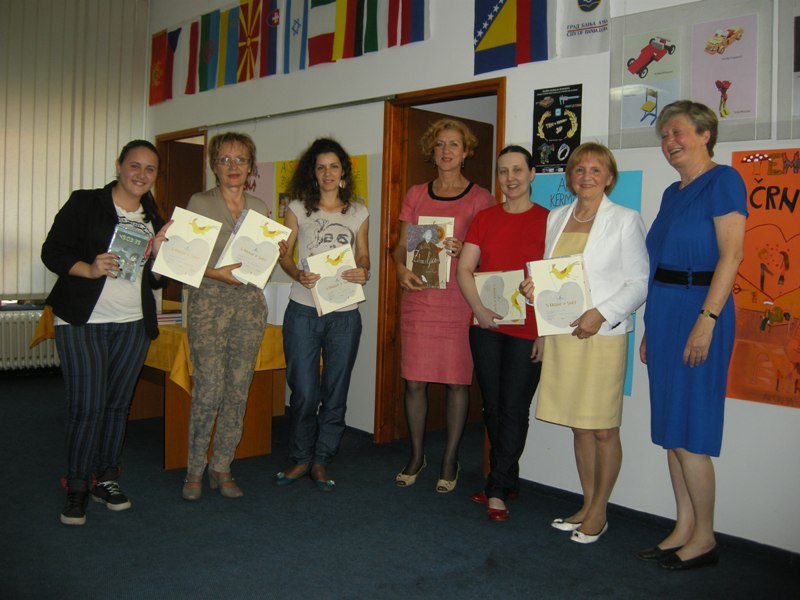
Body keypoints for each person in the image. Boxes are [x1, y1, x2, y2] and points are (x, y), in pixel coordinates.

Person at [521, 142, 649, 541]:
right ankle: (587, 502)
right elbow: (551, 275)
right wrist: (533, 291)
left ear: (609, 178)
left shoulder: (625, 220)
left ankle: (599, 511)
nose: (587, 176)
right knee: (580, 427)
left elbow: (639, 282)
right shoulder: (556, 217)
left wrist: (601, 314)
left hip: (602, 336)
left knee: (603, 428)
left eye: (596, 170)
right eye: (579, 169)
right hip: (564, 335)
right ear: (569, 177)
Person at [639, 100, 746, 569]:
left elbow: (732, 255)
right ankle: (683, 526)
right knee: (671, 429)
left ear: (706, 134)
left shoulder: (724, 181)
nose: (670, 142)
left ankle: (704, 538)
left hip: (700, 309)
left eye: (678, 132)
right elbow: (659, 264)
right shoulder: (671, 192)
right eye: (664, 135)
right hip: (665, 312)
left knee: (692, 431)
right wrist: (650, 327)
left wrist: (707, 320)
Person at [42, 139, 170, 525]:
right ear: (119, 166)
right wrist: (89, 268)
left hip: (132, 323)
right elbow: (52, 251)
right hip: (83, 321)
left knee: (117, 406)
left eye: (150, 169)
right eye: (135, 165)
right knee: (87, 407)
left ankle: (107, 477)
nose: (141, 174)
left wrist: (160, 257)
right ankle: (78, 484)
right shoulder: (86, 203)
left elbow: (156, 280)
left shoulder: (153, 216)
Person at [393, 118, 496, 492]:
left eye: (454, 144)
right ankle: (416, 455)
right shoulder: (416, 194)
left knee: (456, 383)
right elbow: (401, 246)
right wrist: (400, 268)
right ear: (431, 150)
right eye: (440, 144)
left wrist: (465, 247)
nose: (446, 151)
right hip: (420, 298)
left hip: (458, 301)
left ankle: (450, 459)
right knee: (414, 382)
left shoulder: (481, 198)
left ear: (466, 152)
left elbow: (491, 253)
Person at [457, 145, 548, 519]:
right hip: (486, 326)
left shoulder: (550, 221)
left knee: (513, 407)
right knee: (492, 406)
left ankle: (496, 487)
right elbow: (464, 269)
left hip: (529, 328)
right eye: (503, 171)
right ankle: (506, 479)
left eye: (517, 170)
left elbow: (555, 280)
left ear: (532, 174)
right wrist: (479, 311)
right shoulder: (485, 218)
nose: (510, 178)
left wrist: (546, 332)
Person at [274, 138, 369, 492]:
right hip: (303, 309)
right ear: (312, 173)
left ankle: (322, 458)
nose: (327, 173)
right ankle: (301, 456)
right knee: (303, 389)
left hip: (344, 313)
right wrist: (297, 273)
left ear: (343, 171)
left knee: (336, 389)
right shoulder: (298, 207)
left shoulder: (358, 212)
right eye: (320, 167)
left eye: (334, 166)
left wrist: (363, 270)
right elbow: (284, 254)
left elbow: (364, 255)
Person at [181, 132, 269, 501]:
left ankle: (222, 465)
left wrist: (277, 251)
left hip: (248, 305)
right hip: (209, 303)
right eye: (225, 159)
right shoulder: (199, 203)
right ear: (214, 165)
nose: (233, 166)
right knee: (208, 389)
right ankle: (194, 468)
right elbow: (181, 259)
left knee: (237, 387)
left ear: (251, 166)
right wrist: (215, 273)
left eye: (241, 160)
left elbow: (261, 261)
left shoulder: (260, 208)